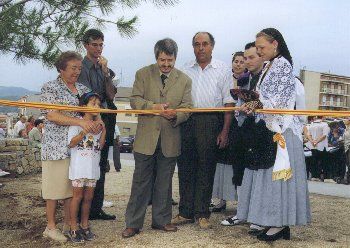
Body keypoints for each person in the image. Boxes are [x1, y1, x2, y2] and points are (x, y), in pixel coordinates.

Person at [237, 28, 311, 241]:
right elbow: (264, 98)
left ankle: (280, 224)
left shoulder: (283, 66)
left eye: (261, 47)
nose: (259, 52)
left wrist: (255, 102)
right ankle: (271, 220)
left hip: (283, 130)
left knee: (279, 178)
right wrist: (250, 101)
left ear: (275, 44)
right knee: (270, 178)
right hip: (269, 128)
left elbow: (279, 103)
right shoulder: (270, 65)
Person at [122, 38, 192, 238]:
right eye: (163, 60)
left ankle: (161, 221)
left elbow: (188, 108)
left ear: (175, 58)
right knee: (140, 183)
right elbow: (135, 101)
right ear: (156, 57)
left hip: (170, 139)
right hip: (146, 140)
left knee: (165, 183)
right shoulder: (142, 74)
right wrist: (153, 107)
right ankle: (133, 223)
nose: (166, 64)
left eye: (170, 60)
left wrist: (176, 116)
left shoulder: (185, 80)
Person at [172, 32, 234, 229]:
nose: (201, 48)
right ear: (193, 47)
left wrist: (224, 131)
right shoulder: (184, 69)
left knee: (206, 168)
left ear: (212, 46)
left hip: (210, 121)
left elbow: (228, 104)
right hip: (187, 121)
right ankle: (185, 212)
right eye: (197, 44)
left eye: (205, 44)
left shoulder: (223, 69)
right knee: (185, 167)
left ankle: (202, 213)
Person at [40, 51, 101, 242]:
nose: (77, 72)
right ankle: (50, 227)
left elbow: (94, 109)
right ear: (61, 69)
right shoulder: (50, 88)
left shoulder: (83, 89)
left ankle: (69, 224)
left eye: (79, 68)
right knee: (53, 189)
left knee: (70, 189)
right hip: (56, 146)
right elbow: (52, 115)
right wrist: (79, 122)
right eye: (73, 68)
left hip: (79, 149)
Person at [221, 42, 264, 229]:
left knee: (258, 174)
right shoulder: (244, 79)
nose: (246, 61)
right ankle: (241, 212)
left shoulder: (268, 78)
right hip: (242, 130)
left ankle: (257, 215)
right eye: (245, 58)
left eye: (251, 57)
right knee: (240, 172)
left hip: (261, 131)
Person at [78, 28, 117, 221]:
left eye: (101, 44)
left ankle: (96, 208)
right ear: (86, 45)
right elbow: (85, 97)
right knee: (84, 165)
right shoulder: (81, 67)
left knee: (101, 165)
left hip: (105, 118)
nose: (99, 48)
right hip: (88, 119)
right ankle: (80, 210)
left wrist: (105, 72)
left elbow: (111, 94)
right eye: (95, 44)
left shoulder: (103, 68)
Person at [68, 92, 106, 243]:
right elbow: (71, 143)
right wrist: (84, 131)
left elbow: (100, 146)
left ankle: (85, 225)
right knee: (77, 197)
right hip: (79, 168)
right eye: (93, 103)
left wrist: (104, 130)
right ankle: (73, 227)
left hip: (92, 168)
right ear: (83, 106)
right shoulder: (76, 123)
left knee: (89, 198)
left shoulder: (99, 125)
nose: (96, 107)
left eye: (98, 104)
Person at [211, 51, 246, 213]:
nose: (238, 64)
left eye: (241, 61)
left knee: (237, 164)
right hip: (225, 124)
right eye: (236, 61)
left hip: (241, 126)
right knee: (221, 163)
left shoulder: (249, 80)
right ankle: (221, 199)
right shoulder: (225, 78)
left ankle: (241, 203)